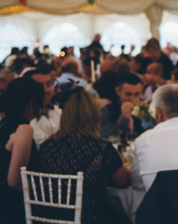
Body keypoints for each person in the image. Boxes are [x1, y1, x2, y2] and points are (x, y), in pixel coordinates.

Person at [37, 88, 130, 224]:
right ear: (94, 115)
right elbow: (124, 182)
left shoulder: (47, 147)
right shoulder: (101, 149)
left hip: (48, 219)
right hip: (89, 218)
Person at [0, 77, 44, 224]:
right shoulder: (24, 129)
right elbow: (14, 180)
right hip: (2, 207)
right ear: (31, 102)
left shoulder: (2, 123)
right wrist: (37, 191)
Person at [101, 73, 144, 139]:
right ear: (118, 91)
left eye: (136, 94)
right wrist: (124, 117)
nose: (132, 99)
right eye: (128, 94)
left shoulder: (145, 109)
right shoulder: (107, 110)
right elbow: (107, 136)